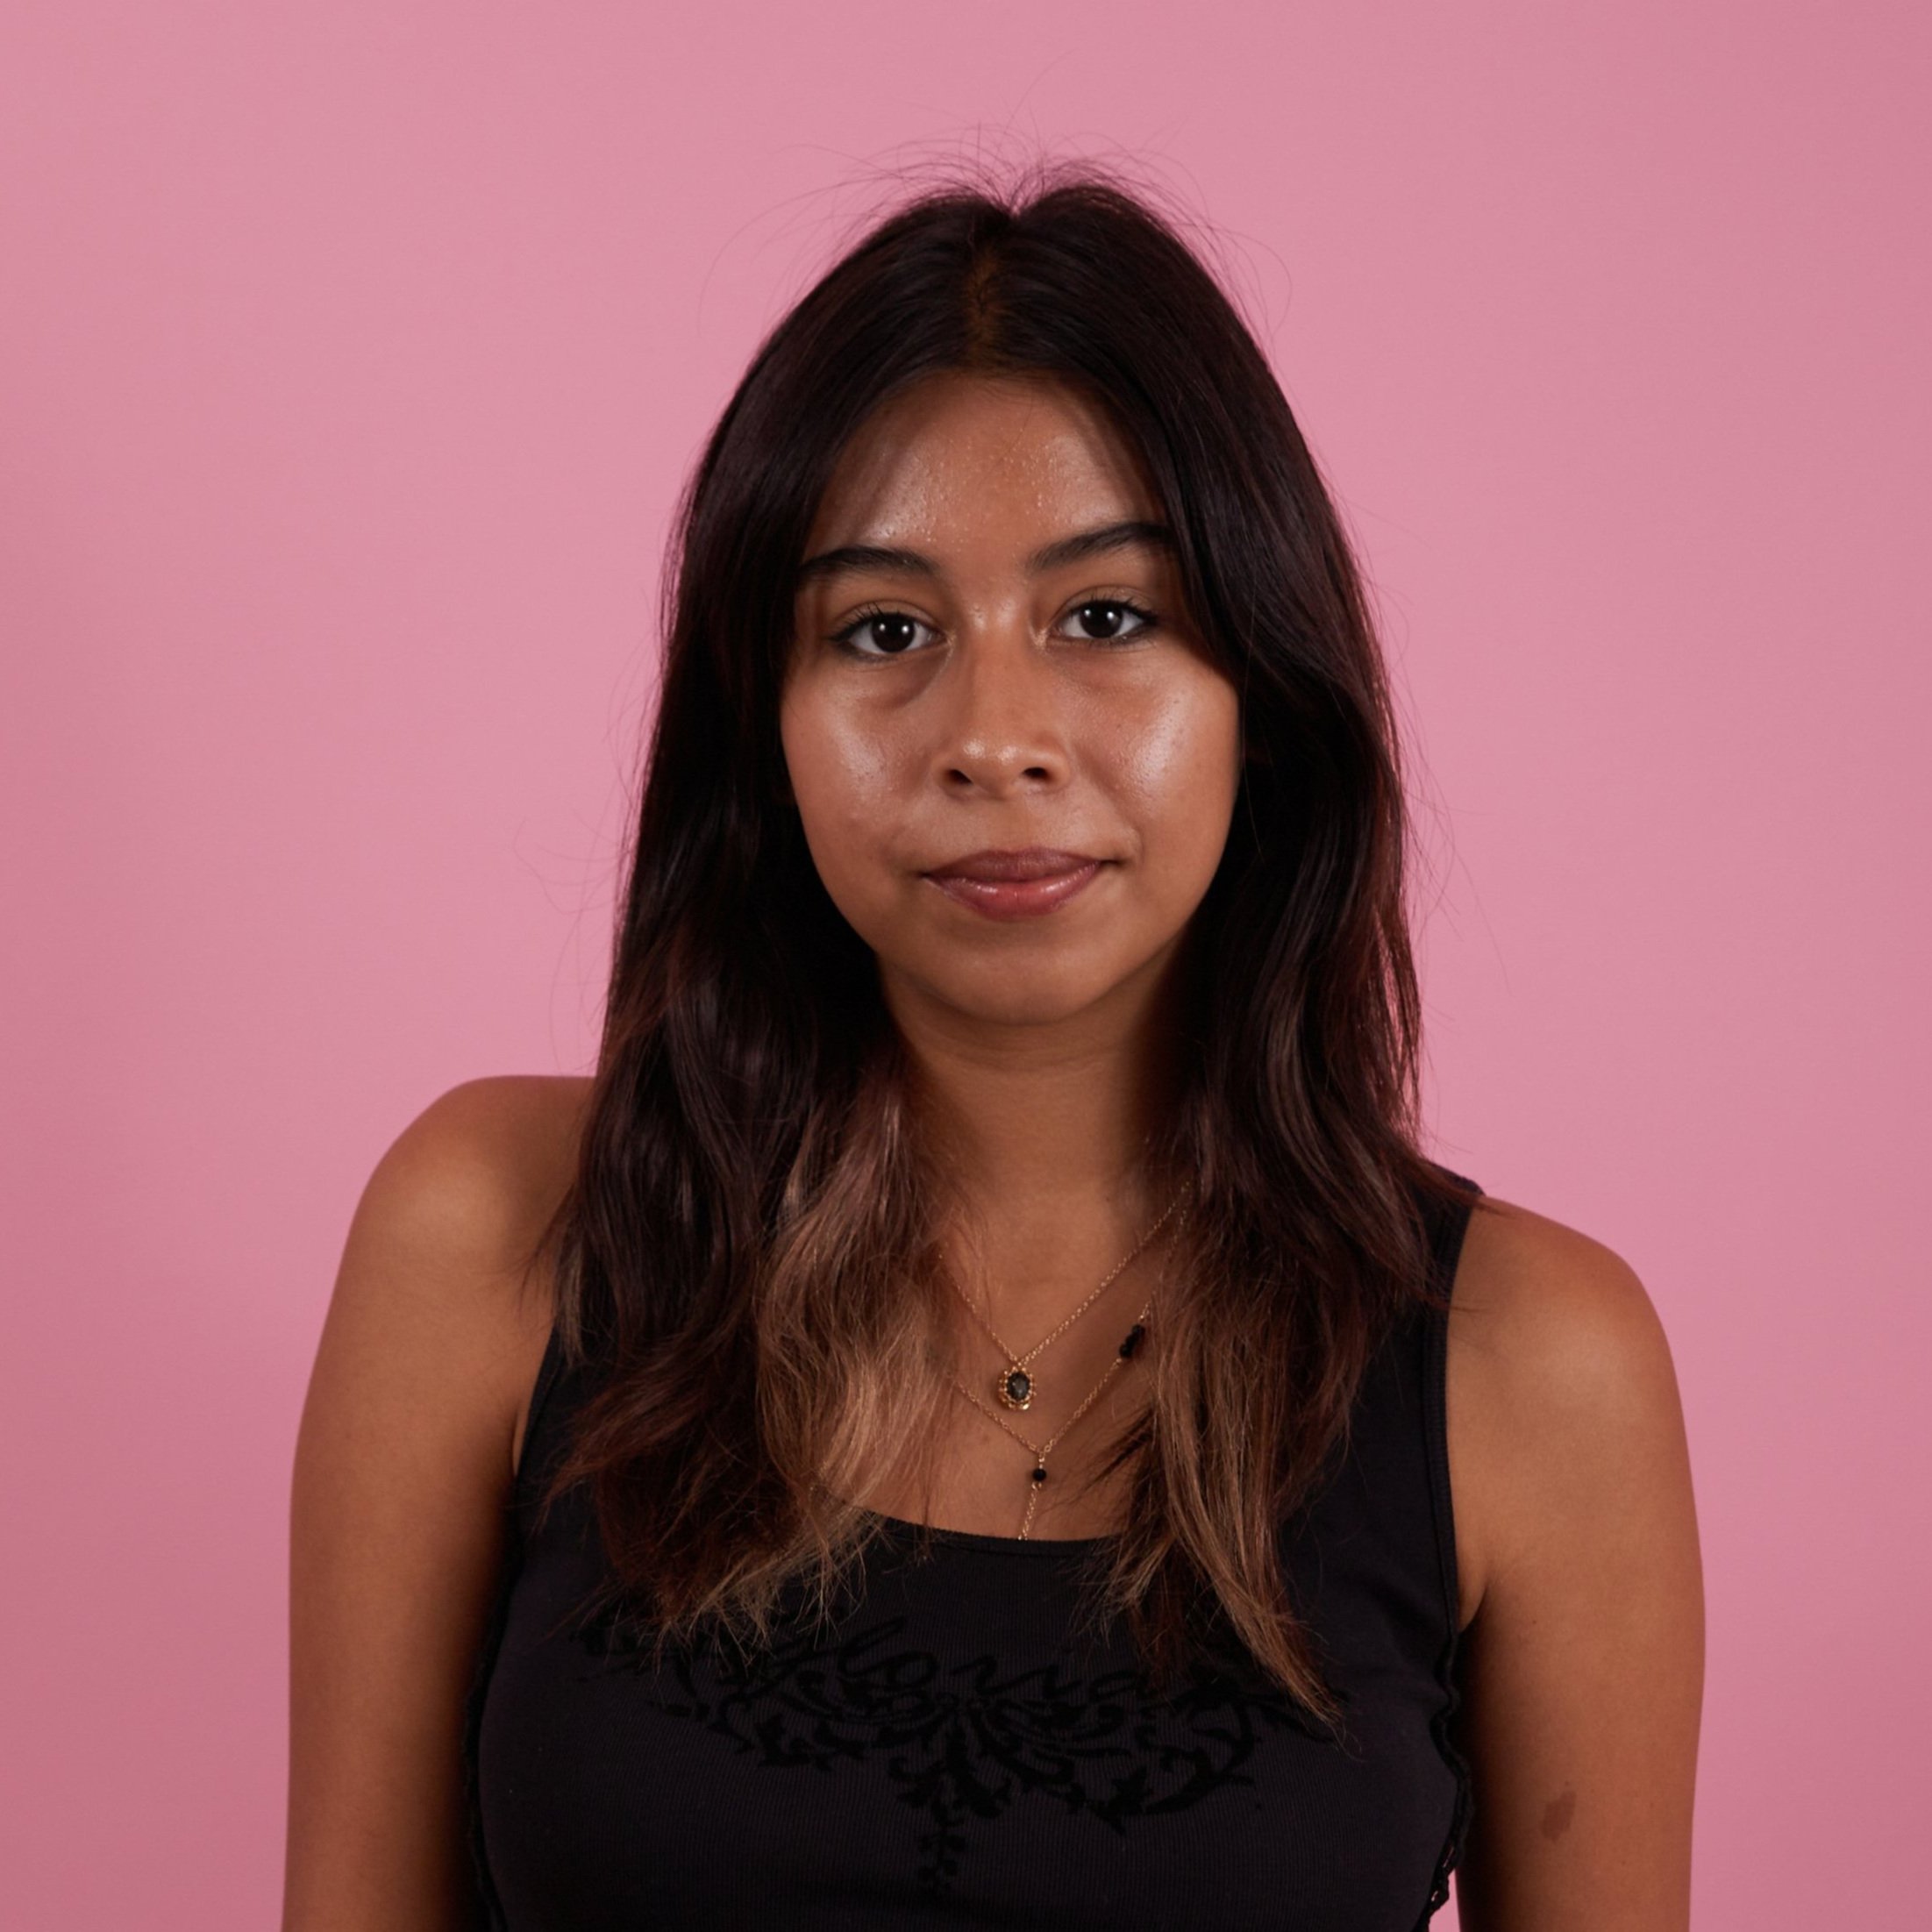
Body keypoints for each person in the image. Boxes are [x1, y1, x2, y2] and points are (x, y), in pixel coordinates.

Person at [284, 169, 1703, 1931]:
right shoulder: (495, 1233)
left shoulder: (1532, 1368)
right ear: (762, 726)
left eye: (1105, 617)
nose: (993, 737)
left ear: (1261, 695)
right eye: (884, 631)